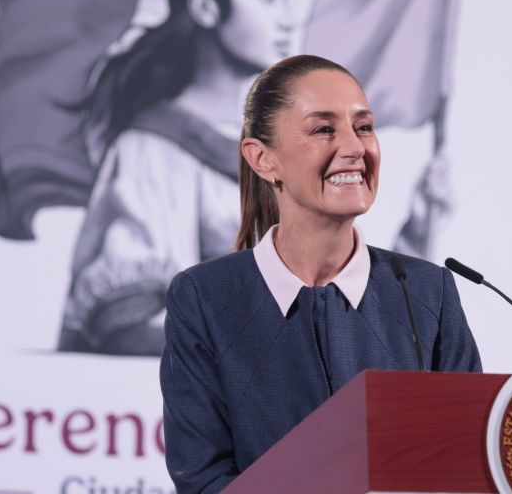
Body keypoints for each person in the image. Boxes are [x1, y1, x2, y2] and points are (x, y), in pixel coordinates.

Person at [159, 54, 482, 492]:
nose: (354, 148)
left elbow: (469, 464)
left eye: (363, 127)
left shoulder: (429, 292)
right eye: (324, 129)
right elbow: (203, 479)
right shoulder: (204, 298)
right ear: (263, 159)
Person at [56, 0, 295, 355]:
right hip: (169, 417)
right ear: (205, 7)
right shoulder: (153, 147)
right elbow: (129, 320)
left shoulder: (277, 157)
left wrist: (418, 229)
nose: (286, 18)